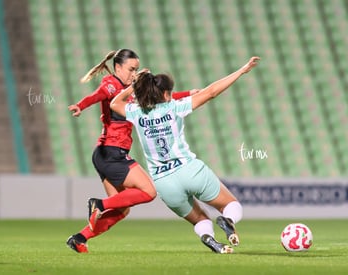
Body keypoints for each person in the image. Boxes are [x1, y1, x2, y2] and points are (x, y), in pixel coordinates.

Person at [110, 56, 260, 253]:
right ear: (165, 94)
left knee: (199, 219)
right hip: (188, 169)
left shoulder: (136, 112)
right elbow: (211, 92)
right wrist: (241, 71)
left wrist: (134, 85)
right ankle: (227, 220)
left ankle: (209, 237)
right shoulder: (174, 107)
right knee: (231, 205)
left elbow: (114, 103)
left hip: (163, 181)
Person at [66, 49, 196, 253]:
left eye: (136, 70)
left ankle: (80, 238)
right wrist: (81, 106)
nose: (134, 74)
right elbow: (97, 95)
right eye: (131, 69)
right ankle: (98, 204)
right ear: (118, 68)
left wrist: (189, 95)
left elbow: (159, 100)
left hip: (104, 155)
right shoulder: (112, 84)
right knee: (149, 191)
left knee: (121, 209)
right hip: (112, 152)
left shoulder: (133, 90)